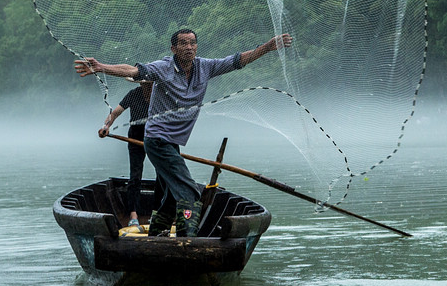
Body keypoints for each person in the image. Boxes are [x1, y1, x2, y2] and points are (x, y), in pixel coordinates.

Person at [74, 28, 293, 236]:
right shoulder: (163, 68)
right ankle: (186, 239)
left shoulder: (205, 67)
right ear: (173, 49)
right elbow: (133, 70)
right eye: (183, 43)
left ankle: (157, 232)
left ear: (196, 47)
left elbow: (237, 61)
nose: (189, 47)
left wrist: (268, 47)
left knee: (170, 195)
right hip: (157, 140)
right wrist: (101, 66)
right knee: (189, 192)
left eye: (192, 43)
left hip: (173, 142)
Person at [98, 79, 156, 229]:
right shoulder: (133, 94)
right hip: (136, 138)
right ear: (140, 84)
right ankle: (133, 215)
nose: (148, 86)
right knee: (135, 176)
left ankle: (157, 213)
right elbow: (116, 112)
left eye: (150, 83)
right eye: (145, 84)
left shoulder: (159, 95)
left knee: (163, 175)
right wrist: (106, 126)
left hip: (156, 137)